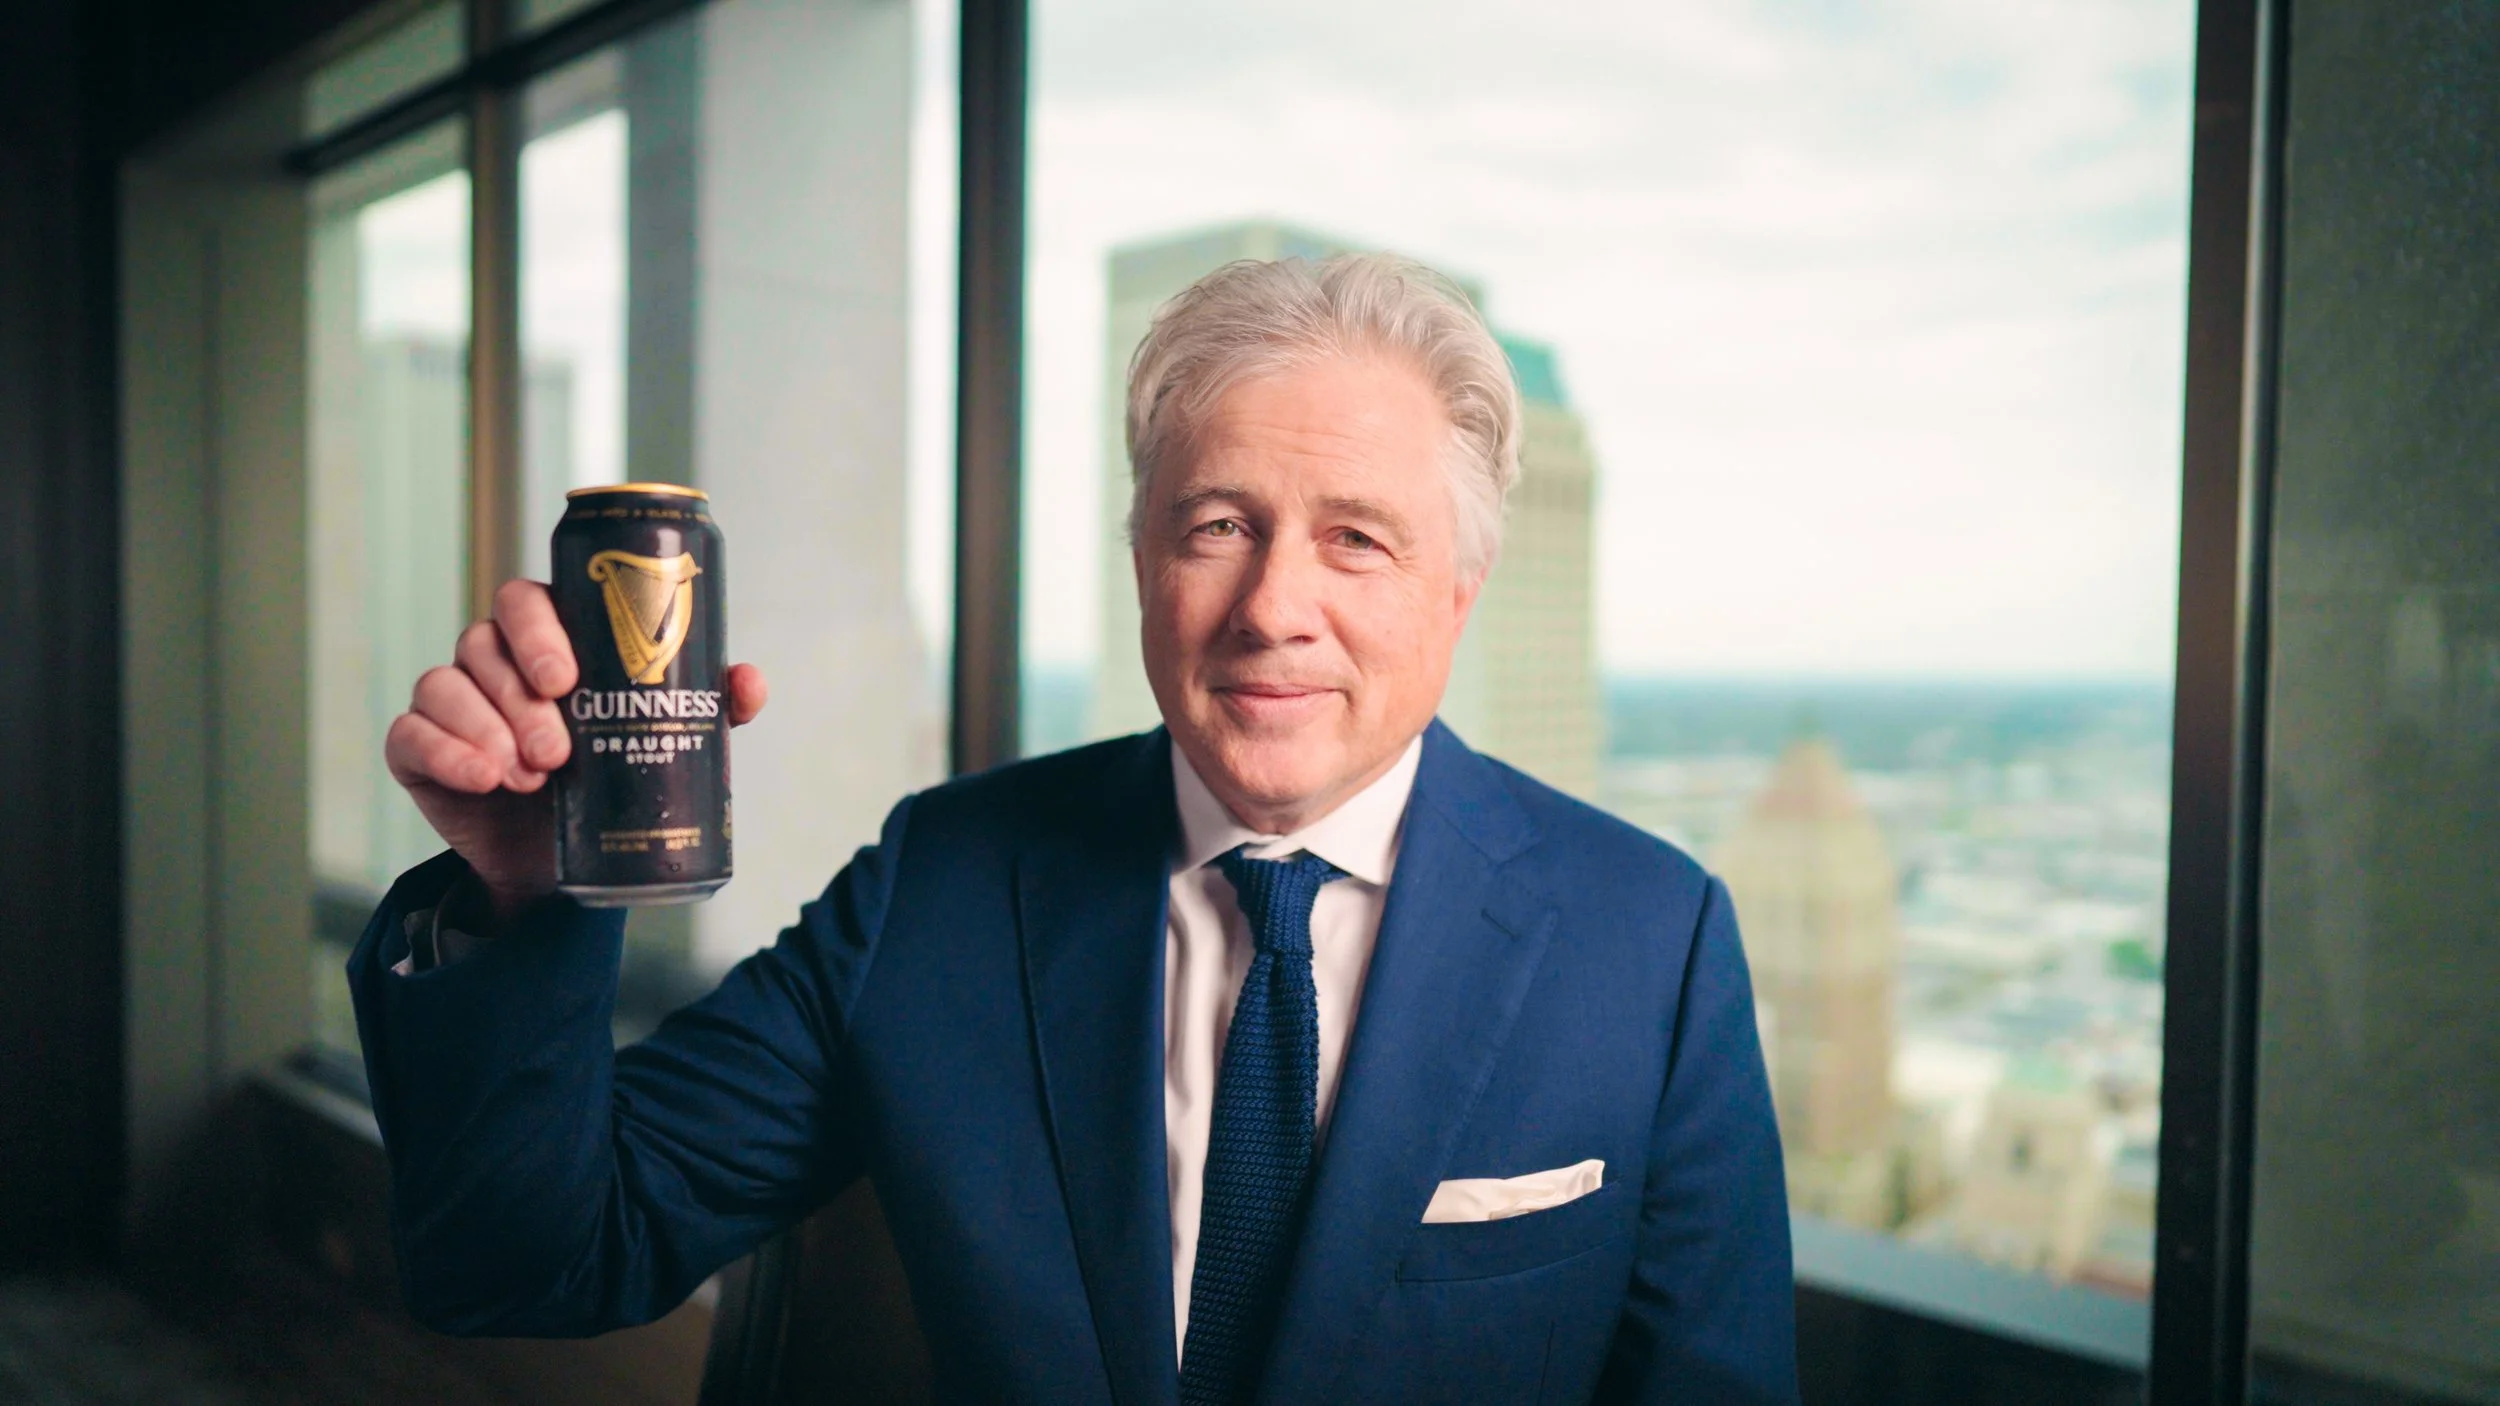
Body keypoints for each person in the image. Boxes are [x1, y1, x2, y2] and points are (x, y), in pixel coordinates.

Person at [350, 253, 1797, 1404]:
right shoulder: (943, 883)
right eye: (1218, 523)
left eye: (1357, 536)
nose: (1274, 604)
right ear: (1142, 559)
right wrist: (531, 897)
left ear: (1457, 590)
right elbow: (523, 1260)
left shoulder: (1650, 946)